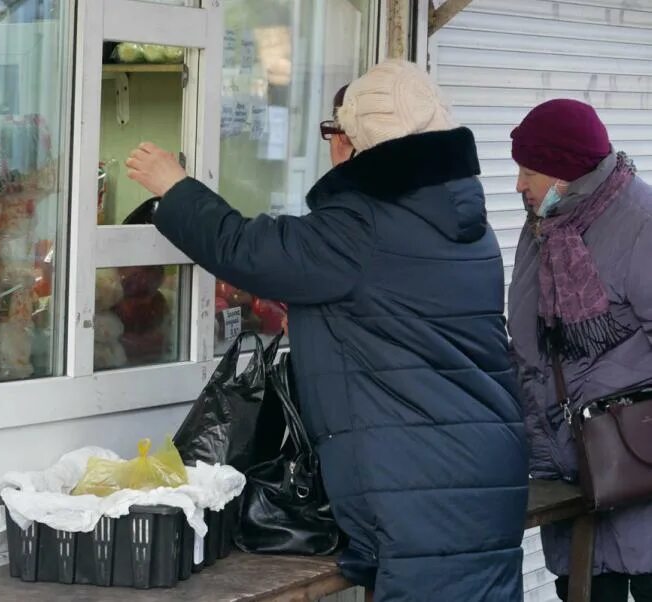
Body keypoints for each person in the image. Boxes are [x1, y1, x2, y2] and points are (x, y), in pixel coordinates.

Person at [126, 59, 527, 602]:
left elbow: (245, 249)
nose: (331, 145)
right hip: (479, 479)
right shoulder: (467, 227)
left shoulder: (360, 227)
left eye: (335, 131)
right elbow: (394, 320)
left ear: (358, 143)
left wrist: (173, 187)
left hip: (421, 494)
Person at [508, 99, 652, 602]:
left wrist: (620, 411)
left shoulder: (640, 222)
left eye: (528, 171)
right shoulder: (546, 228)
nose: (519, 185)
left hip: (637, 467)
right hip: (572, 473)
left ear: (563, 173)